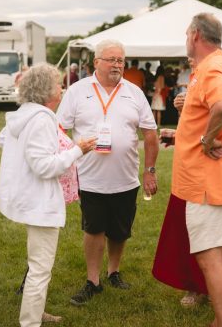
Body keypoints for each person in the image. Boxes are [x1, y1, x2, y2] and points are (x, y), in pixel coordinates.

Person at [153, 13, 222, 327]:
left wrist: (206, 139)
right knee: (213, 256)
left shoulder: (213, 67)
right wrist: (186, 135)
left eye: (186, 34)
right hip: (213, 180)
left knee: (210, 258)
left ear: (195, 35)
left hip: (210, 180)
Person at [56, 39, 159, 306]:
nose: (117, 65)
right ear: (96, 62)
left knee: (120, 231)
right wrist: (65, 161)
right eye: (111, 59)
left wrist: (149, 171)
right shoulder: (77, 91)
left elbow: (150, 134)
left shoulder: (134, 92)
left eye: (121, 60)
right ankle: (93, 280)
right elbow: (59, 130)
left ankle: (113, 271)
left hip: (126, 178)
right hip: (89, 177)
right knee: (93, 229)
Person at [0, 63, 96, 327]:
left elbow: (6, 139)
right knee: (40, 269)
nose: (62, 89)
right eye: (58, 84)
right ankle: (30, 322)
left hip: (29, 198)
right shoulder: (40, 119)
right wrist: (78, 150)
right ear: (45, 90)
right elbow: (43, 166)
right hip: (40, 203)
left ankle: (35, 311)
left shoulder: (25, 114)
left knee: (37, 265)